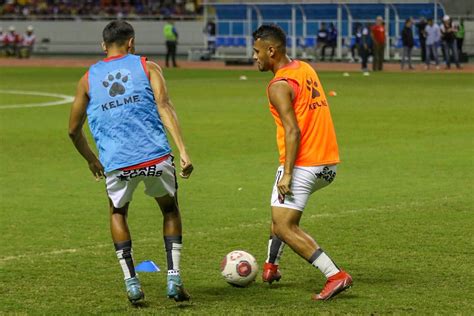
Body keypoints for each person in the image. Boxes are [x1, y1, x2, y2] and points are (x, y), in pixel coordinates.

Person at [68, 20, 193, 304]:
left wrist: (91, 160)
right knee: (170, 210)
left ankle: (131, 283)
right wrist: (183, 151)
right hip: (155, 156)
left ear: (103, 46)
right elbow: (164, 105)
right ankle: (174, 278)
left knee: (118, 213)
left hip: (117, 162)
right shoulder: (148, 67)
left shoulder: (87, 79)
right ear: (131, 42)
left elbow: (72, 130)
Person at [252, 24, 352, 301]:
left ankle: (335, 275)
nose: (254, 57)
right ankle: (271, 266)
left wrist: (287, 173)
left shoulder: (278, 85)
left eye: (257, 51)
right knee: (279, 210)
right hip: (328, 162)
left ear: (271, 50)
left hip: (305, 162)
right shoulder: (305, 68)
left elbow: (292, 130)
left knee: (285, 224)